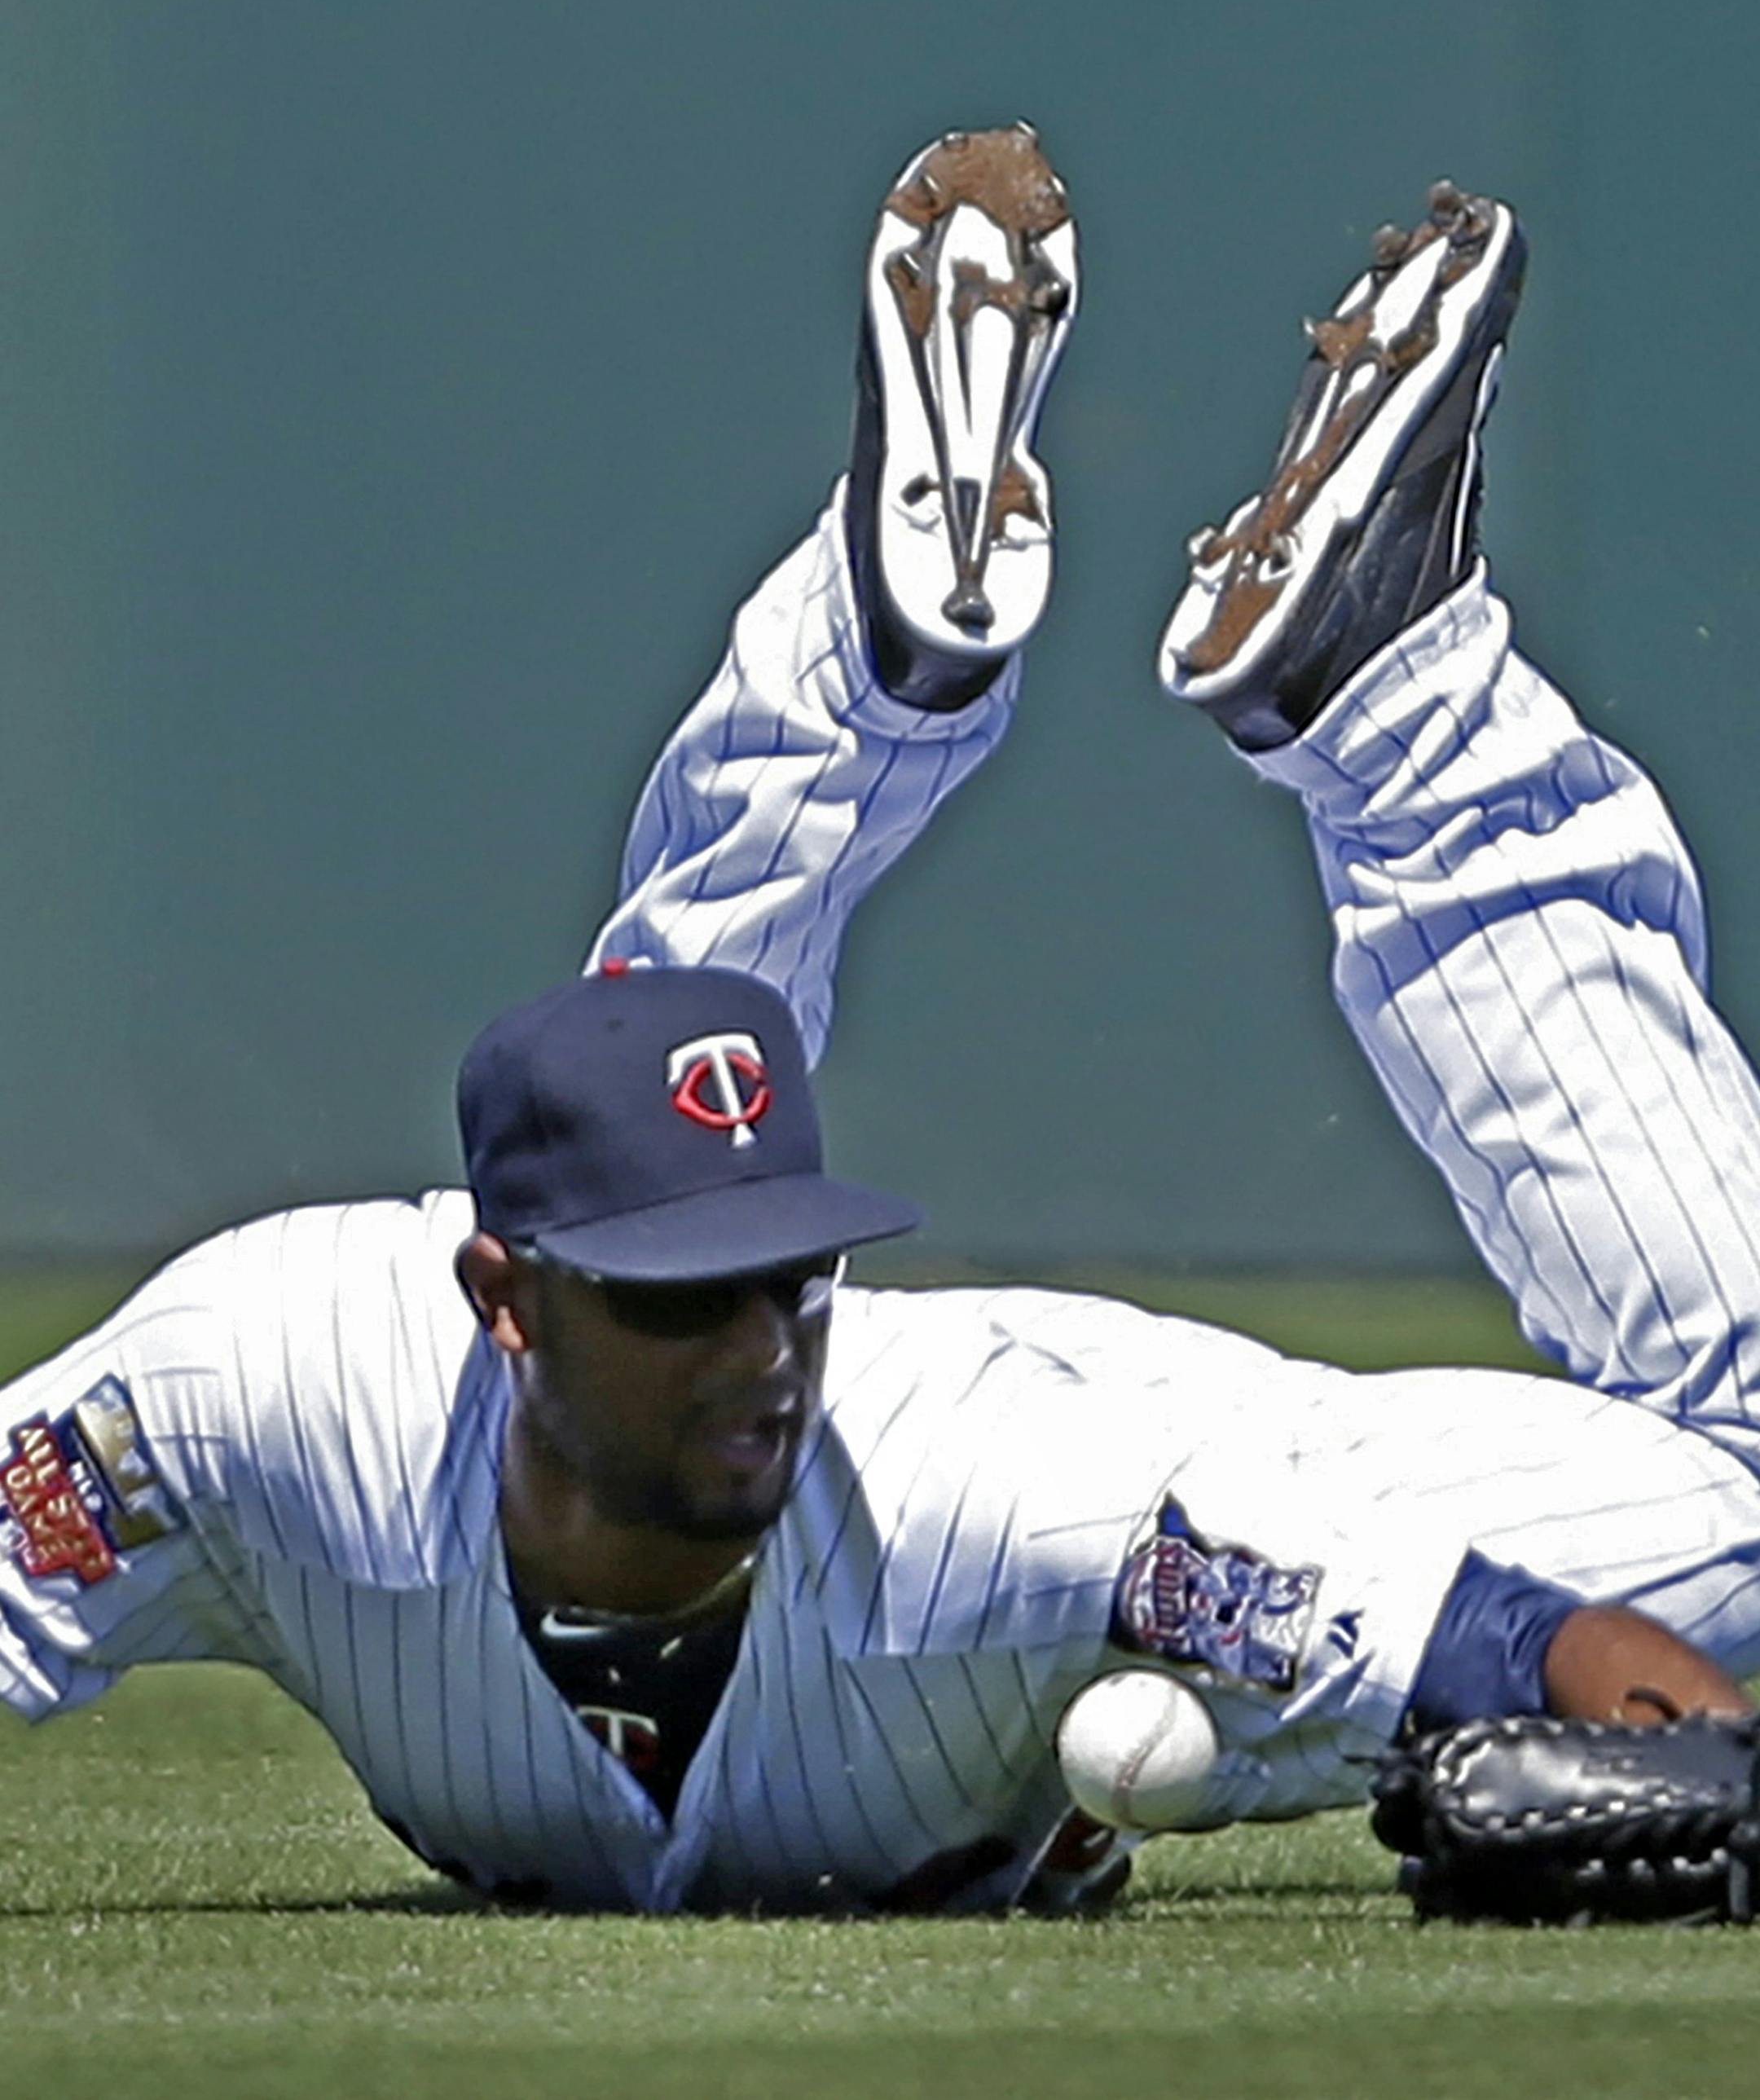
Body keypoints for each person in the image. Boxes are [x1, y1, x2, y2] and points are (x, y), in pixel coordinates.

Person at [2, 132, 1756, 1919]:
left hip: (1112, 1450)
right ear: (500, 1301)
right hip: (715, 1447)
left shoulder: (1019, 1509)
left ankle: (1394, 710)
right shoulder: (273, 1399)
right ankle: (918, 656)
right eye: (688, 1295)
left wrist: (1709, 1774)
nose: (764, 1341)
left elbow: (1508, 1641)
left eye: (789, 1272)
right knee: (653, 1059)